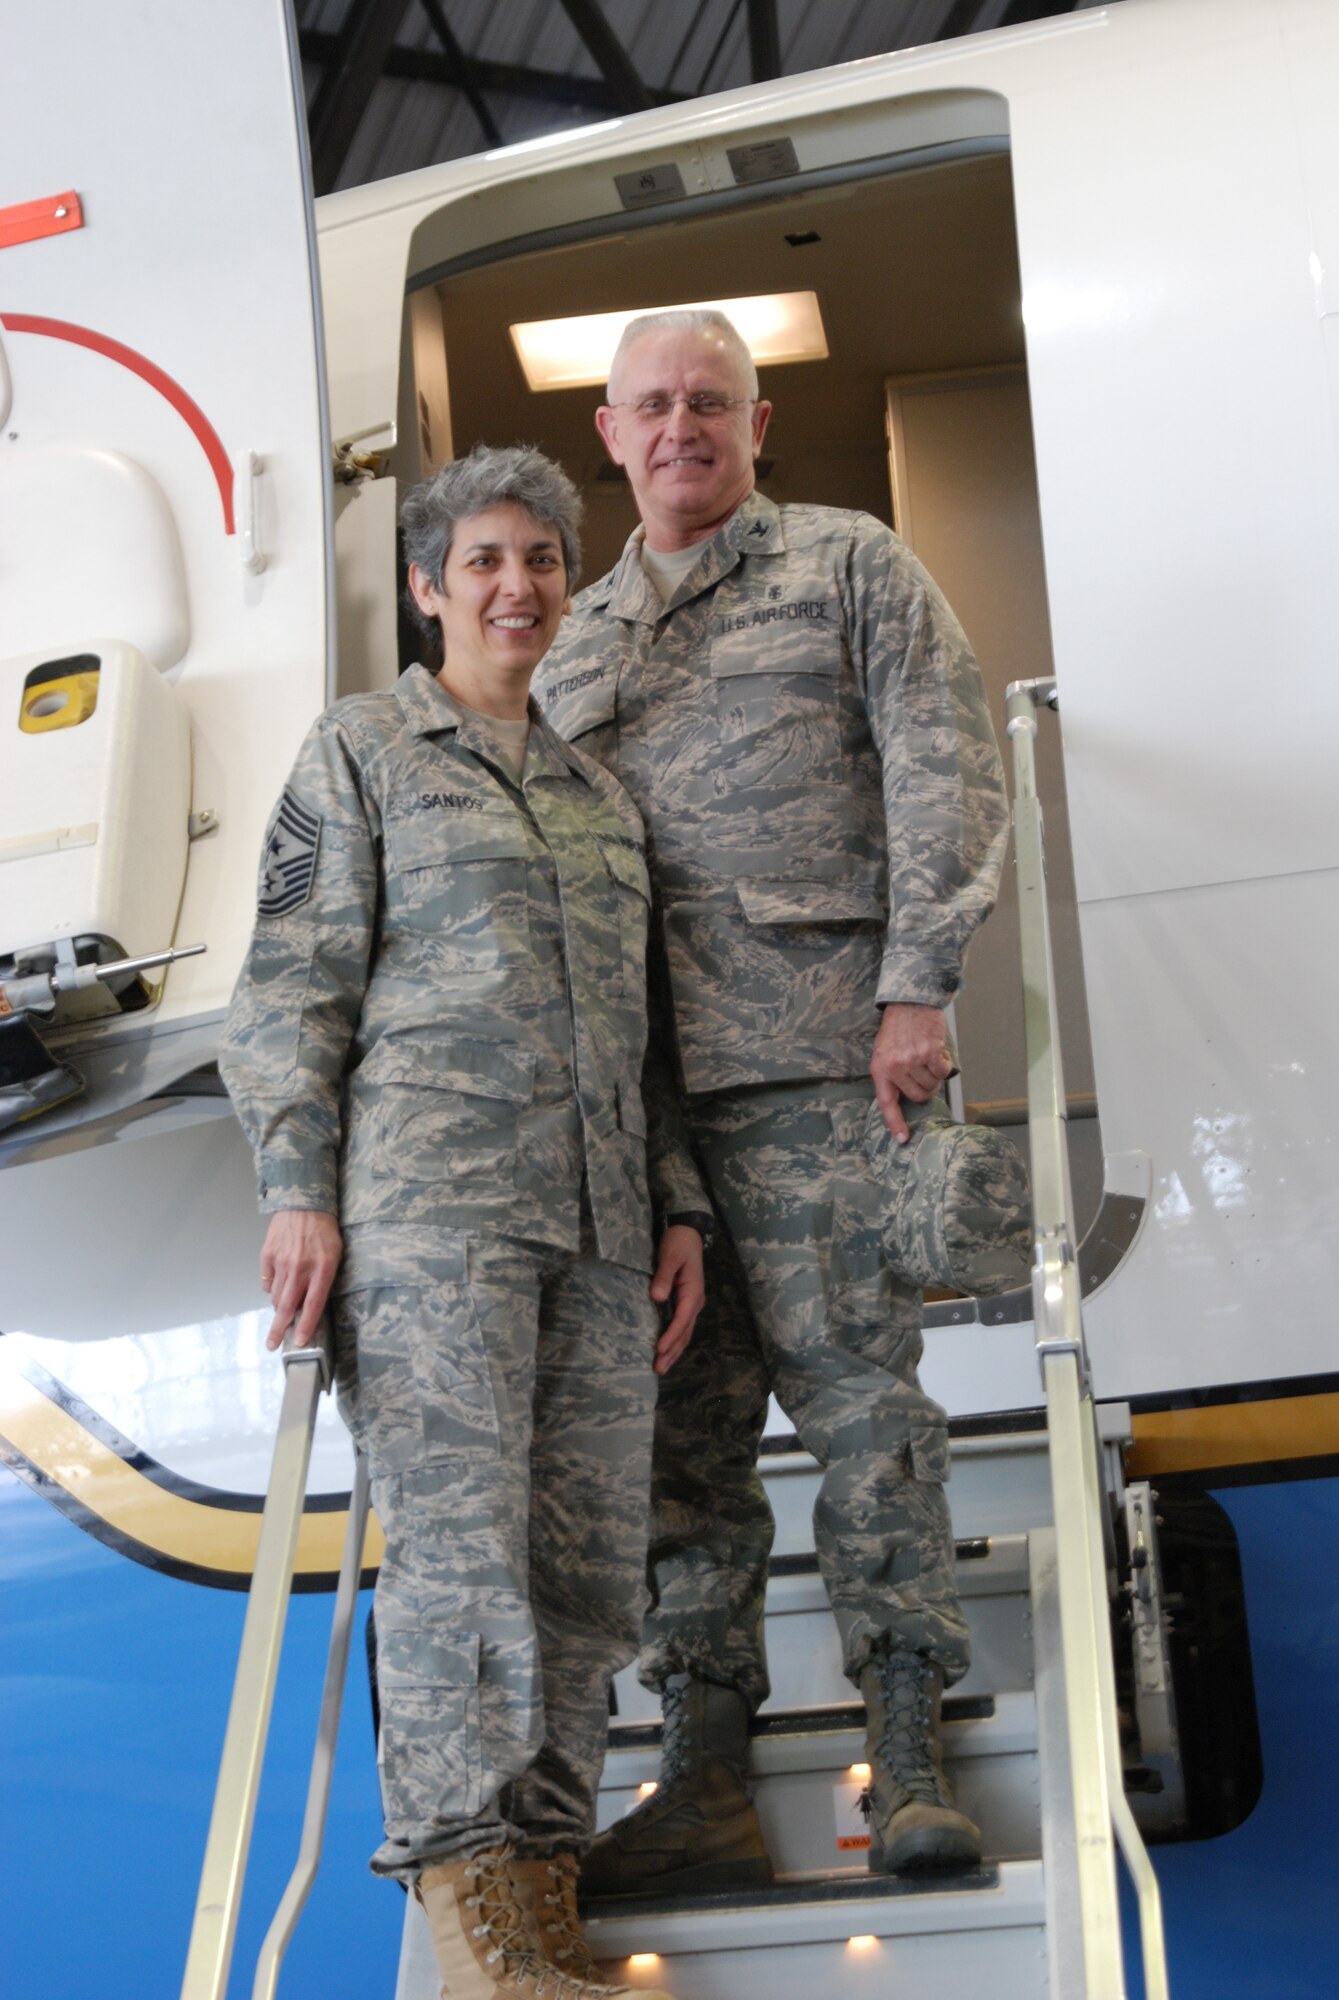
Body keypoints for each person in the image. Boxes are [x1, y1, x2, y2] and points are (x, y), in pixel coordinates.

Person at [532, 310, 1015, 1891]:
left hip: (824, 1061)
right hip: (649, 1120)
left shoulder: (849, 564)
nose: (681, 425)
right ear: (609, 433)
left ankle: (916, 1757)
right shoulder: (572, 641)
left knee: (866, 1412)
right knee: (683, 1452)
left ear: (758, 424)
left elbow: (943, 764)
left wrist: (919, 982)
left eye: (710, 402)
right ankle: (707, 1782)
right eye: (652, 404)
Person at [220, 444, 708, 2000]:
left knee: (583, 1575)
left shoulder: (598, 795)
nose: (518, 586)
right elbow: (293, 987)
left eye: (545, 560)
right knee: (460, 1562)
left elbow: (645, 1034)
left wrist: (677, 1209)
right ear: (430, 587)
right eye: (485, 560)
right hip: (432, 1219)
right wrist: (298, 1183)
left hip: (598, 1226)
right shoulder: (361, 751)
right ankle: (469, 1906)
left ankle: (544, 1898)